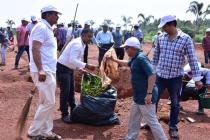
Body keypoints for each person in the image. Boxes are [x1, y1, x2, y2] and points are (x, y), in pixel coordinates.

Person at [152, 15, 203, 139]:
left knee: (175, 103)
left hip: (175, 78)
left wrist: (197, 79)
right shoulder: (160, 38)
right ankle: (152, 123)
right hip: (160, 76)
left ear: (171, 25)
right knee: (154, 100)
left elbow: (192, 58)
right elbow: (155, 57)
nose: (163, 29)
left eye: (164, 26)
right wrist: (152, 74)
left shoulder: (185, 39)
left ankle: (173, 127)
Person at [109, 37, 167, 140]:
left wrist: (149, 94)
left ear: (132, 48)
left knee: (152, 121)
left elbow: (152, 75)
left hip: (145, 96)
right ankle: (130, 137)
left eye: (126, 48)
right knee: (134, 118)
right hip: (138, 95)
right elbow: (127, 63)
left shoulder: (141, 58)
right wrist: (114, 60)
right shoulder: (135, 58)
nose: (125, 51)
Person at [27, 5, 62, 140]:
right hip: (43, 71)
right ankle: (34, 132)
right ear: (48, 15)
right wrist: (41, 69)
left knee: (47, 102)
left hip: (49, 70)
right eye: (55, 14)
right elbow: (35, 48)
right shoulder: (41, 28)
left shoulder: (48, 29)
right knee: (49, 102)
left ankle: (46, 131)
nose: (57, 16)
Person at [57, 29, 96, 124]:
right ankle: (65, 114)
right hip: (63, 68)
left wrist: (80, 68)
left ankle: (74, 111)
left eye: (91, 37)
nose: (90, 39)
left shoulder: (82, 43)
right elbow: (72, 59)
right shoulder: (78, 44)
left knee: (71, 91)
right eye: (88, 36)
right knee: (65, 92)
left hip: (69, 68)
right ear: (83, 35)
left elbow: (75, 60)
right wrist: (86, 66)